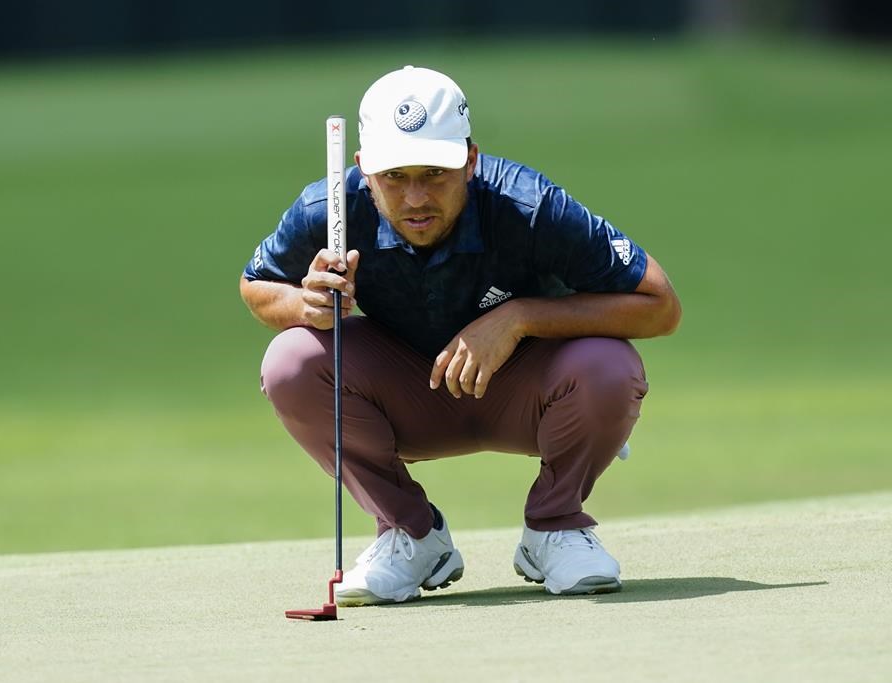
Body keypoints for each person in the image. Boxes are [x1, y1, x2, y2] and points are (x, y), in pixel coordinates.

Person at [239, 65, 681, 605]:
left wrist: (519, 317)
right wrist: (304, 304)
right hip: (401, 401)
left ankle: (555, 528)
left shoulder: (528, 205)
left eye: (435, 173)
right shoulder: (329, 207)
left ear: (470, 160)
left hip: (527, 396)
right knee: (290, 361)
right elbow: (256, 285)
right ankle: (411, 534)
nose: (416, 198)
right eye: (394, 177)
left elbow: (659, 305)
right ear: (363, 169)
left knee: (609, 367)